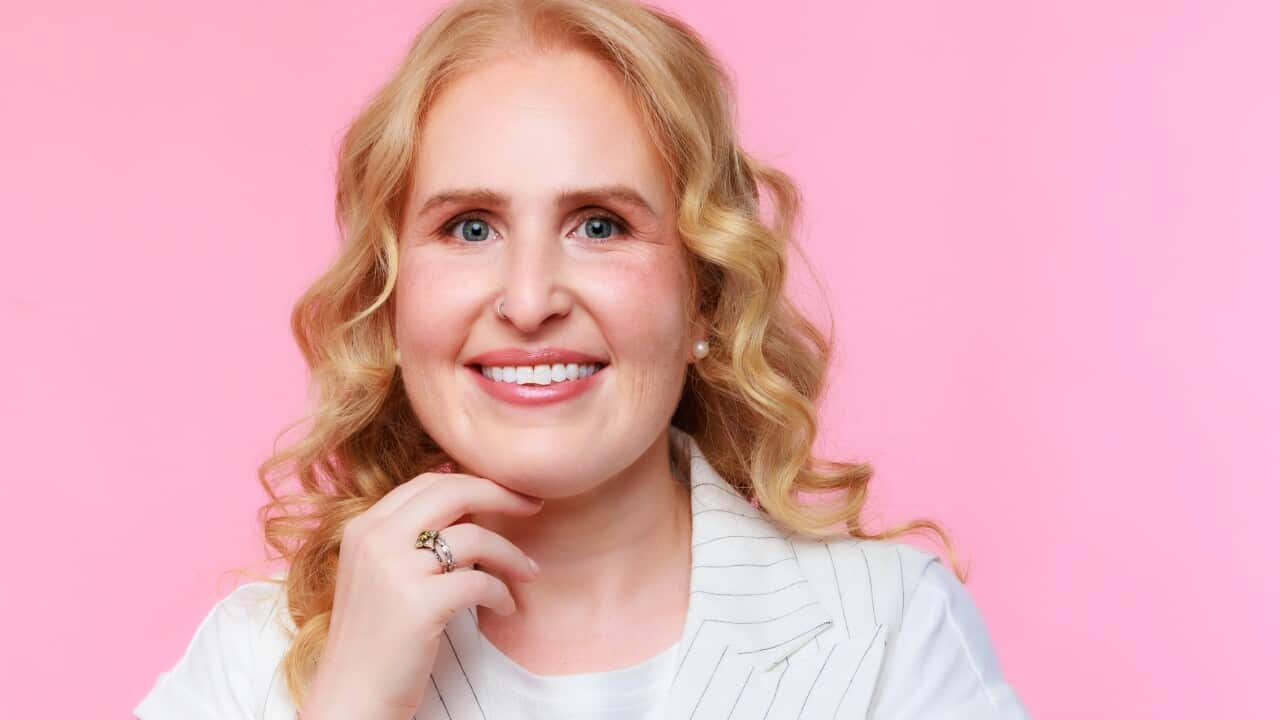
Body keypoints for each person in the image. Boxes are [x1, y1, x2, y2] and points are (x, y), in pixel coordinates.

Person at [134, 0, 1030, 718]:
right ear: (391, 299)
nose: (529, 301)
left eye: (599, 226)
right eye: (469, 227)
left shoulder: (889, 629)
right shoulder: (254, 656)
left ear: (704, 298)